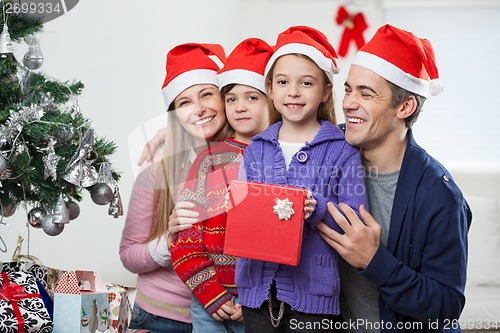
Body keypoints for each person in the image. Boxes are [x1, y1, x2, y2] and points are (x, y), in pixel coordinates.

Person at [316, 24, 471, 332]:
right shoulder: (327, 151)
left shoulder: (440, 197)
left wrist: (374, 260)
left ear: (405, 106)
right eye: (348, 89)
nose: (348, 103)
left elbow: (445, 308)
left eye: (366, 93)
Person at [235, 26, 368, 333]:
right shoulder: (256, 150)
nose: (293, 92)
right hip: (256, 296)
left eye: (306, 83)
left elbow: (355, 222)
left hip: (312, 299)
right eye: (283, 82)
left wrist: (316, 208)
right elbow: (241, 215)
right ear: (270, 89)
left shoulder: (343, 151)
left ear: (324, 91)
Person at [119, 42, 229, 333]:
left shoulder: (255, 157)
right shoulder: (158, 169)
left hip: (234, 314)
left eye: (207, 94)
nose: (200, 108)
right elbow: (129, 255)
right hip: (164, 318)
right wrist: (169, 240)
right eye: (184, 102)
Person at [169, 38, 273, 333]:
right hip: (209, 299)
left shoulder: (281, 159)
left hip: (262, 302)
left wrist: (258, 295)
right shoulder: (208, 161)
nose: (240, 107)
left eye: (252, 97)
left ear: (271, 99)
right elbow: (185, 238)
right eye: (231, 99)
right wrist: (210, 292)